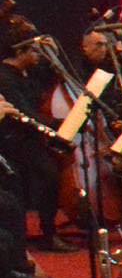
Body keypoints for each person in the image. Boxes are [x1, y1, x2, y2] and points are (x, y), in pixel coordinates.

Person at [0, 15, 76, 251]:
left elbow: (55, 75)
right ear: (20, 52)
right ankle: (46, 234)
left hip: (31, 139)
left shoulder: (27, 72)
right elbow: (25, 116)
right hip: (15, 141)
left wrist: (55, 53)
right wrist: (60, 124)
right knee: (49, 175)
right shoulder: (5, 78)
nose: (37, 56)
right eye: (33, 51)